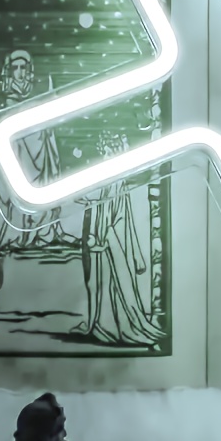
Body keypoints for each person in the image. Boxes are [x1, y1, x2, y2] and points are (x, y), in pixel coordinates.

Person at [72, 133, 164, 346]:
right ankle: (101, 323)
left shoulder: (109, 178)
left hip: (103, 238)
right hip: (108, 237)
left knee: (100, 282)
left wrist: (96, 237)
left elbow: (103, 209)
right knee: (103, 283)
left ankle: (102, 325)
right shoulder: (114, 178)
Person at [0, 49, 68, 254]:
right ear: (10, 71)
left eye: (23, 67)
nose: (20, 72)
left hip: (37, 145)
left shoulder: (30, 98)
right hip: (18, 151)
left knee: (45, 182)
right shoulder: (9, 101)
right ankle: (21, 234)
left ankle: (46, 230)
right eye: (16, 68)